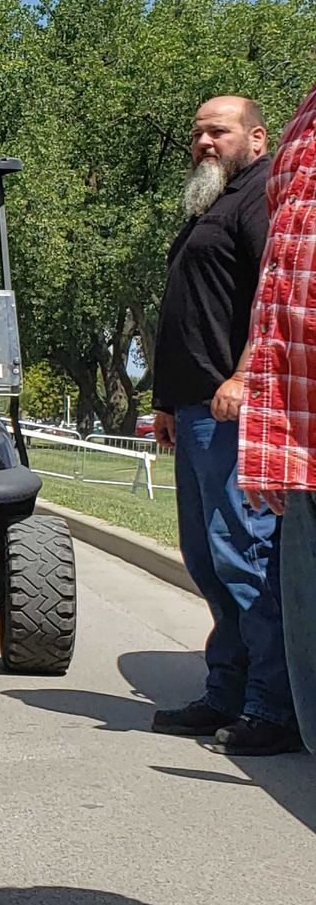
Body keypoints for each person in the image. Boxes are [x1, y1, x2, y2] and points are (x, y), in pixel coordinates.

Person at [149, 95, 298, 757]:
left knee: (245, 556)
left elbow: (273, 298)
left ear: (256, 137)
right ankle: (226, 690)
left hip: (232, 410)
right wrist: (163, 400)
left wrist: (242, 377)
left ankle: (274, 706)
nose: (205, 140)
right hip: (192, 413)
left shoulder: (259, 197)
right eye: (198, 132)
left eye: (219, 130)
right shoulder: (213, 203)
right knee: (209, 561)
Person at [237, 81, 316, 757]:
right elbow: (277, 281)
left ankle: (263, 702)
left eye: (221, 128)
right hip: (294, 432)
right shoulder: (304, 122)